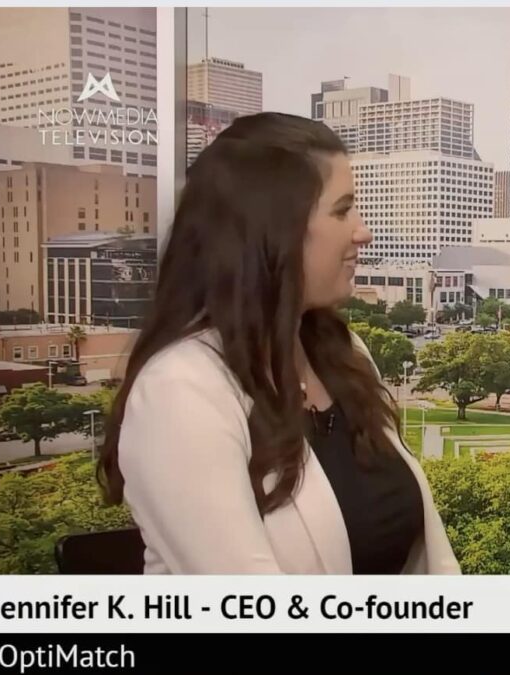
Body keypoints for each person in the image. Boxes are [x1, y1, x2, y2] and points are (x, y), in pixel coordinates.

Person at [96, 112, 460, 575]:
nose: (362, 231)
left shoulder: (343, 354)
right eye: (342, 209)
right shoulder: (179, 390)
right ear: (273, 229)